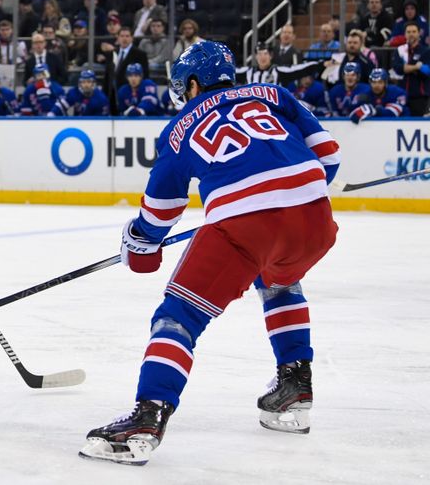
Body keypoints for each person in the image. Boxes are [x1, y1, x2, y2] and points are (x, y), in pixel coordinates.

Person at [80, 40, 339, 466]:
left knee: (178, 315)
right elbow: (329, 157)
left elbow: (159, 213)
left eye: (184, 86)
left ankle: (147, 417)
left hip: (246, 227)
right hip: (315, 220)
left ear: (195, 83)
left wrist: (139, 243)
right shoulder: (274, 94)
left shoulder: (180, 126)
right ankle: (296, 387)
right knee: (279, 279)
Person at [390, 22, 430, 116]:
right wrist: (416, 67)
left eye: (414, 31)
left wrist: (407, 67)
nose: (411, 34)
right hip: (401, 95)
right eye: (408, 32)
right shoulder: (400, 50)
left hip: (419, 96)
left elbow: (426, 71)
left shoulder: (426, 51)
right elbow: (398, 68)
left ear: (419, 33)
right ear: (405, 34)